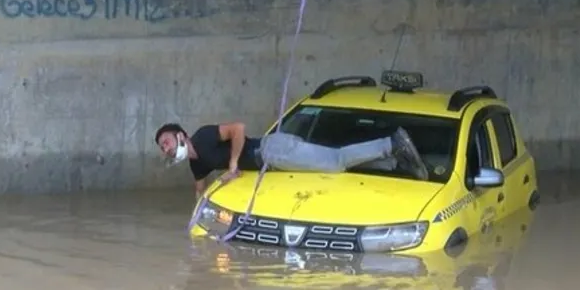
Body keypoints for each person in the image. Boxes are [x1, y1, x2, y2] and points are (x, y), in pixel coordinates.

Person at [154, 122, 429, 199]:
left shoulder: (202, 136)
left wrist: (234, 164)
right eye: (161, 148)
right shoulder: (196, 163)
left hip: (273, 151)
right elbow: (200, 192)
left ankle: (391, 143)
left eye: (166, 141)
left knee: (336, 162)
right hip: (275, 167)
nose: (165, 148)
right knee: (334, 171)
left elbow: (237, 128)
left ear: (181, 135)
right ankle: (395, 165)